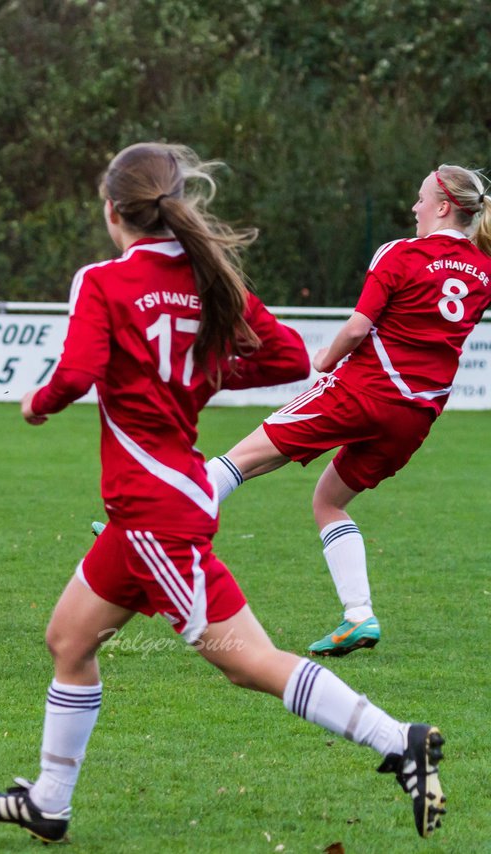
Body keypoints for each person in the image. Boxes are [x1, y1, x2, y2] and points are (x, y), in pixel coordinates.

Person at [0, 143, 446, 843]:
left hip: (155, 514)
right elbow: (283, 356)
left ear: (111, 209)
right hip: (149, 513)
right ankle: (49, 802)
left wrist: (39, 402)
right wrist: (198, 373)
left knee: (249, 664)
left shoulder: (103, 281)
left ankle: (398, 739)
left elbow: (77, 373)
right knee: (69, 638)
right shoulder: (205, 276)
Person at [201, 164, 491, 657]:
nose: (414, 208)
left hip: (362, 391)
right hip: (415, 416)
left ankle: (143, 525)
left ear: (444, 206)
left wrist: (323, 359)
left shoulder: (401, 252)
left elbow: (359, 328)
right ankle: (359, 616)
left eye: (421, 199)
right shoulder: (485, 270)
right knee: (328, 502)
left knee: (244, 457)